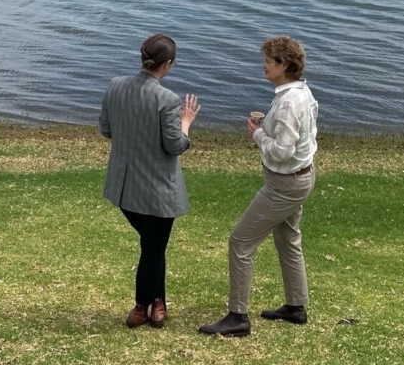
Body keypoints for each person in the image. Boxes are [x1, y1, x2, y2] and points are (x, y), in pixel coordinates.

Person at [199, 35, 318, 337]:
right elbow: (297, 138)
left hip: (283, 185)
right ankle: (296, 307)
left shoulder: (289, 101)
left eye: (268, 61)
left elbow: (282, 151)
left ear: (284, 65)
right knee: (288, 239)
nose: (263, 65)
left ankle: (237, 316)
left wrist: (257, 136)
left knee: (240, 243)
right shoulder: (300, 92)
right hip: (299, 178)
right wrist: (267, 128)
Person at [99, 33, 200, 329]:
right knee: (154, 247)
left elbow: (106, 130)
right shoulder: (167, 100)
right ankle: (142, 306)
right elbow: (175, 146)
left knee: (153, 244)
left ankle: (159, 304)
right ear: (167, 64)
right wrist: (186, 122)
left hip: (125, 188)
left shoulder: (115, 86)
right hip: (158, 191)